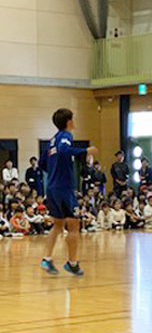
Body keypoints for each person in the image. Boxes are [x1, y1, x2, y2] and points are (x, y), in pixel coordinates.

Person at [40, 108, 98, 276]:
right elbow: (65, 151)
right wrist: (85, 151)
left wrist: (54, 172)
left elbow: (44, 163)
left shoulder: (51, 141)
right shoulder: (66, 136)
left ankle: (47, 258)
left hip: (51, 187)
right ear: (68, 122)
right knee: (74, 225)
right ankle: (72, 263)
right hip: (64, 188)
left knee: (58, 225)